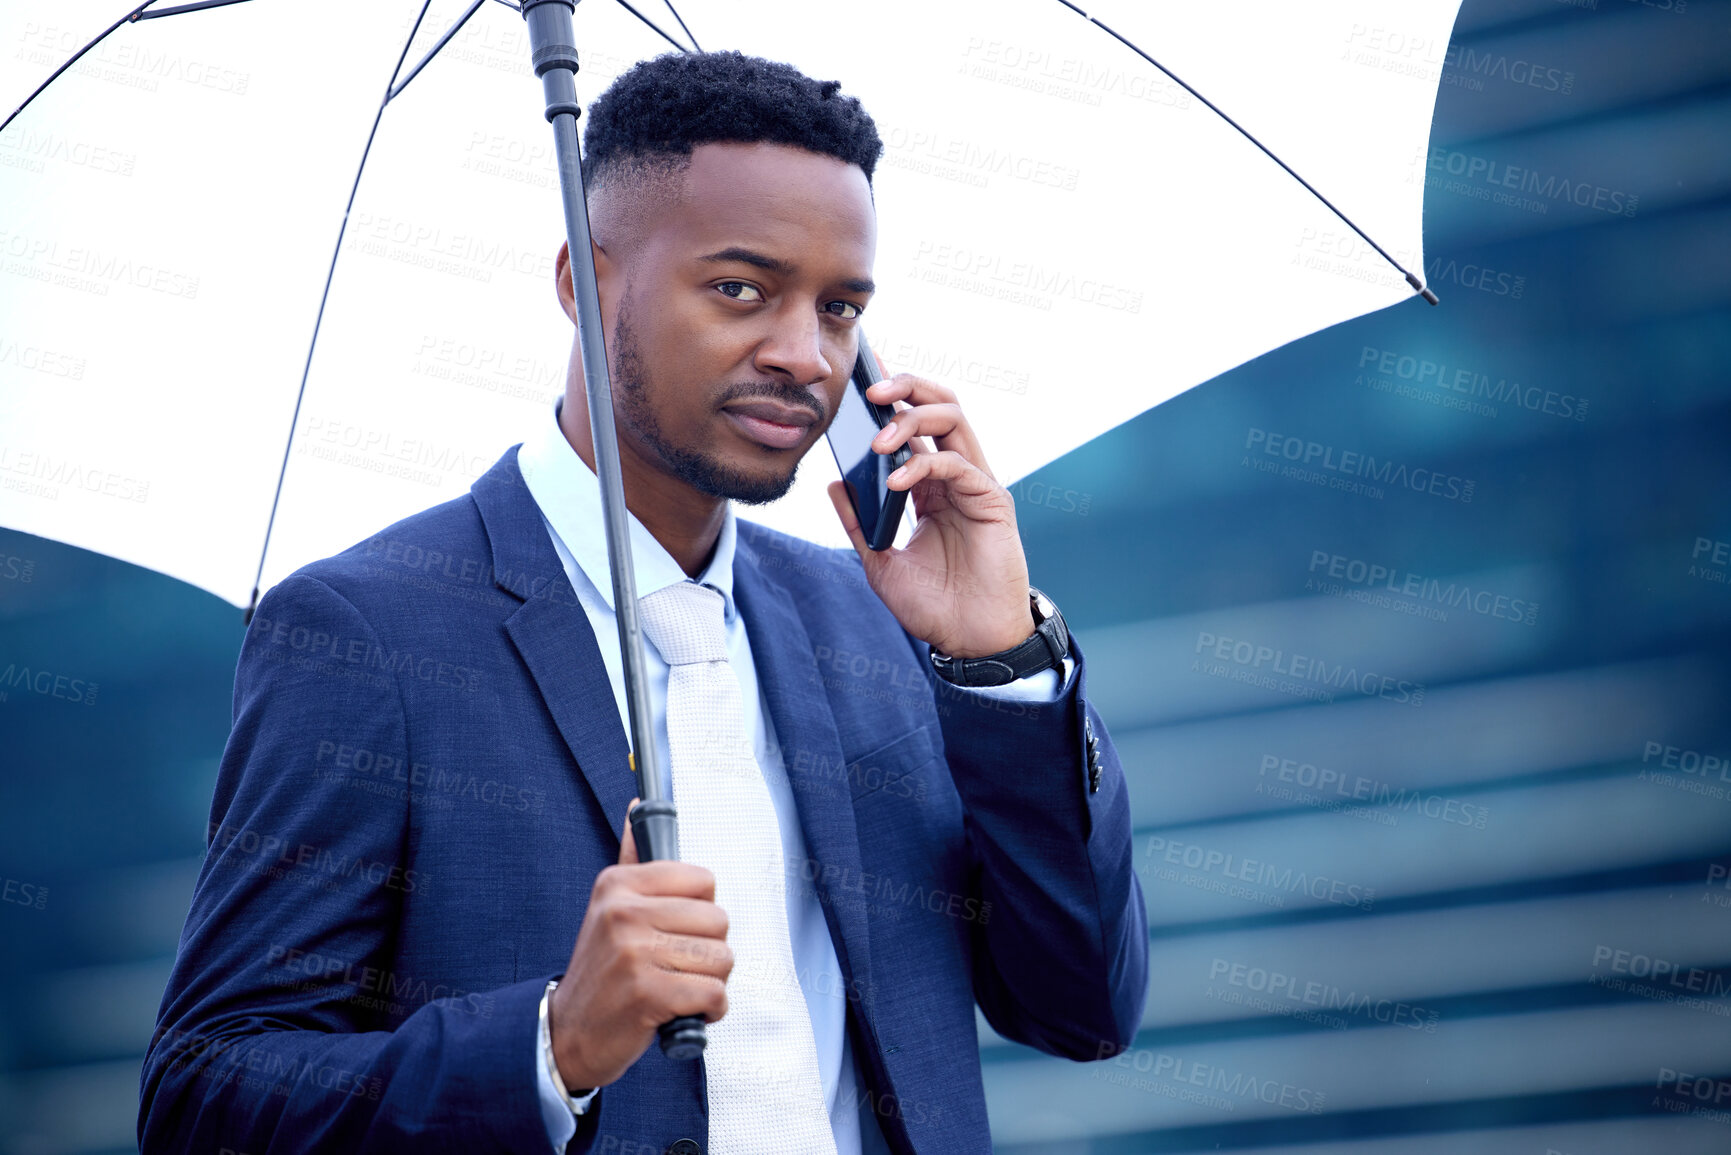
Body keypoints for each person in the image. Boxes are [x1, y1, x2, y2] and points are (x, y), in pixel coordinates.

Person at [139, 50, 1147, 1155]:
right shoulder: (369, 635)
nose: (805, 356)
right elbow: (205, 1098)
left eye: (841, 308)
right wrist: (552, 1044)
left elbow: (1080, 1011)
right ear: (585, 280)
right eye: (740, 289)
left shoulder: (879, 628)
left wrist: (1000, 664)